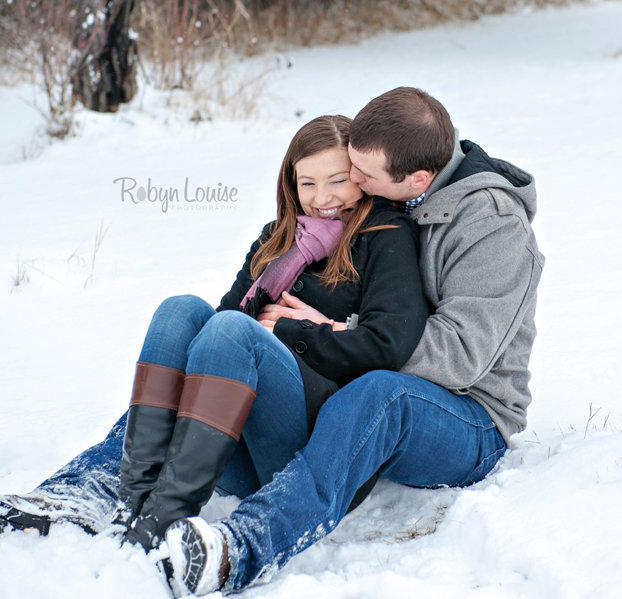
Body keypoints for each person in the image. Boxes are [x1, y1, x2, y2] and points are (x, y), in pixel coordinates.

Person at [0, 115, 429, 552]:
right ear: (290, 185)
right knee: (180, 312)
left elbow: (390, 343)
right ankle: (102, 495)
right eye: (307, 183)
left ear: (361, 180)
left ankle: (164, 514)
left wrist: (299, 330)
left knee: (233, 330)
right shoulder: (277, 241)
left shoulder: (382, 237)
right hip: (233, 450)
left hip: (308, 452)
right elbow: (215, 333)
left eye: (338, 180)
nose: (322, 198)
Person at [162, 87, 545, 597]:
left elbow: (460, 358)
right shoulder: (402, 193)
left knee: (379, 394)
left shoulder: (492, 226)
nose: (353, 183)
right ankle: (97, 484)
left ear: (417, 180)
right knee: (201, 337)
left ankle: (242, 547)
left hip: (471, 415)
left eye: (360, 174)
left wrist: (343, 334)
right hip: (386, 381)